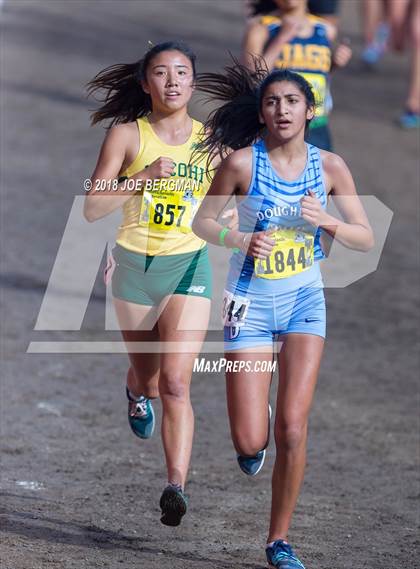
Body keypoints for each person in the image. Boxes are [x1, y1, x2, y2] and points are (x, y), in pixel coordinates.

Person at [193, 63, 374, 568]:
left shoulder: (330, 167)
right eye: (273, 102)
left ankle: (279, 540)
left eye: (292, 102)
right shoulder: (241, 164)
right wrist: (240, 238)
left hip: (303, 303)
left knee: (295, 427)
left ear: (310, 111)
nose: (282, 111)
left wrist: (329, 222)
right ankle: (258, 425)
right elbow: (202, 220)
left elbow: (365, 236)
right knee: (251, 441)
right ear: (263, 112)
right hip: (248, 304)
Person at [84, 41, 218, 527]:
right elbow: (93, 206)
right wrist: (140, 177)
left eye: (181, 72)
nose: (172, 81)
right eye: (160, 73)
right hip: (134, 270)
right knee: (151, 379)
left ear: (194, 82)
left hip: (188, 267)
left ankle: (175, 485)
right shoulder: (127, 136)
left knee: (178, 382)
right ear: (146, 84)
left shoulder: (213, 142)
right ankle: (135, 392)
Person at [242, 0, 352, 151]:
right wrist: (282, 38)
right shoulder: (262, 27)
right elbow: (254, 75)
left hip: (317, 124)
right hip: (277, 125)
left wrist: (334, 63)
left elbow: (317, 73)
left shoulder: (325, 29)